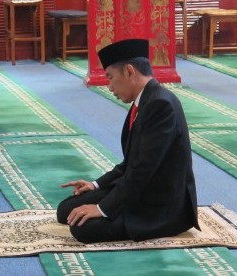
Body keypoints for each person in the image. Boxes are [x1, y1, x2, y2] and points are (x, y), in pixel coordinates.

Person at [57, 39, 200, 243]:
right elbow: (131, 162)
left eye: (111, 78)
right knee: (66, 210)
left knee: (82, 229)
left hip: (160, 206)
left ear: (130, 71)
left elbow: (143, 170)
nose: (110, 86)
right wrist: (96, 185)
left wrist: (101, 208)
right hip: (141, 188)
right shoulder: (145, 101)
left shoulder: (161, 105)